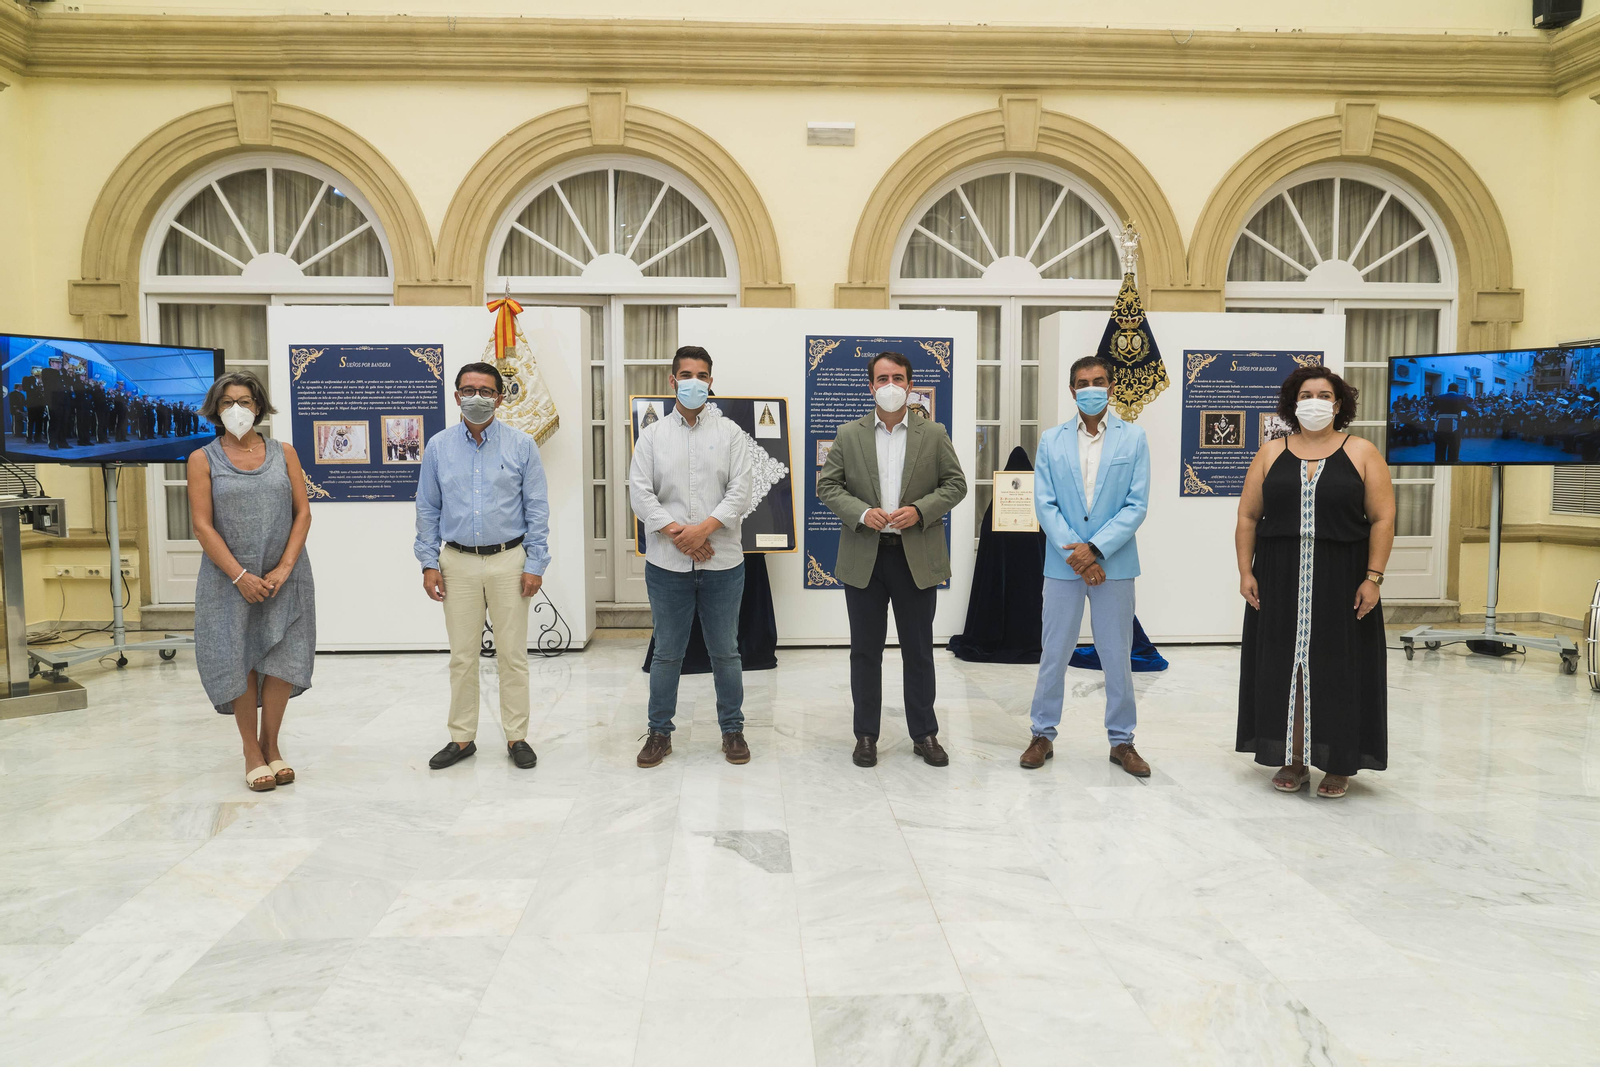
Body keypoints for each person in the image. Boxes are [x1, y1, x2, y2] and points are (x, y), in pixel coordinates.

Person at [1235, 367, 1393, 799]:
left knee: (1339, 667)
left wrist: (1373, 578)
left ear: (1339, 405)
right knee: (1282, 665)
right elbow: (1249, 516)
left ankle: (1339, 761)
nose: (1316, 401)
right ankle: (1293, 758)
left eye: (1325, 394)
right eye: (1307, 394)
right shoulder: (1270, 452)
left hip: (1342, 577)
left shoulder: (1362, 451)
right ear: (1293, 403)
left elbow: (1382, 519)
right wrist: (1246, 570)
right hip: (1279, 574)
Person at [817, 351, 967, 768]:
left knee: (918, 650)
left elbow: (956, 485)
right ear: (870, 386)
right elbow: (828, 487)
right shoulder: (849, 434)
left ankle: (925, 734)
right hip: (865, 557)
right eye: (881, 378)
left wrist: (920, 510)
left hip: (915, 557)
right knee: (865, 651)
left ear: (909, 384)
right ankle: (866, 735)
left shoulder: (933, 433)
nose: (889, 385)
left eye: (897, 378)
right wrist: (863, 513)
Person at [1020, 355, 1153, 776]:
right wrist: (1076, 555)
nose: (1091, 387)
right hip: (1063, 565)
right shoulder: (1051, 440)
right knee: (1054, 651)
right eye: (1082, 382)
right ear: (1072, 389)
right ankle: (1042, 733)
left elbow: (1136, 505)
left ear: (1110, 387)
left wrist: (1095, 550)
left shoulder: (1133, 438)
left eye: (1098, 380)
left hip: (1114, 562)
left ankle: (1122, 741)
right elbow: (1045, 503)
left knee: (1117, 653)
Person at [415, 362, 550, 772]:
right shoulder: (438, 446)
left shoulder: (522, 445)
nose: (477, 398)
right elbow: (427, 508)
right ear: (456, 396)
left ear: (500, 397)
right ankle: (461, 738)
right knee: (463, 655)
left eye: (486, 391)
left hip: (511, 559)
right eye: (469, 390)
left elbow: (537, 508)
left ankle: (517, 737)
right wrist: (428, 563)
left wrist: (536, 562)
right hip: (456, 561)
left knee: (512, 655)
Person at [188, 372, 315, 793]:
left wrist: (284, 567)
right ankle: (250, 751)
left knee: (282, 656)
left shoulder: (285, 453)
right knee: (239, 657)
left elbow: (303, 513)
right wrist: (240, 576)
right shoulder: (202, 459)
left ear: (258, 406)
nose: (236, 409)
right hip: (228, 580)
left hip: (285, 575)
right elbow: (203, 526)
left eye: (244, 400)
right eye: (226, 402)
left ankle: (272, 745)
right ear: (215, 409)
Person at [628, 346, 753, 768]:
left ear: (711, 382)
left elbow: (741, 492)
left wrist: (703, 530)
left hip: (722, 562)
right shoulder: (653, 435)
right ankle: (659, 733)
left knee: (726, 652)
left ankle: (732, 731)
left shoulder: (732, 434)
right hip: (667, 564)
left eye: (702, 375)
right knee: (667, 653)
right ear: (672, 381)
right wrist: (679, 534)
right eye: (686, 374)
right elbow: (640, 492)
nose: (694, 382)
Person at [1429, 383, 1473, 463]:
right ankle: (1452, 462)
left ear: (1448, 389)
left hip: (1440, 424)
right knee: (1453, 448)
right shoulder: (1461, 398)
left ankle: (1439, 464)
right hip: (1454, 425)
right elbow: (1470, 409)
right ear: (1457, 389)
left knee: (1439, 448)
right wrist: (1476, 414)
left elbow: (1431, 410)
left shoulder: (1439, 397)